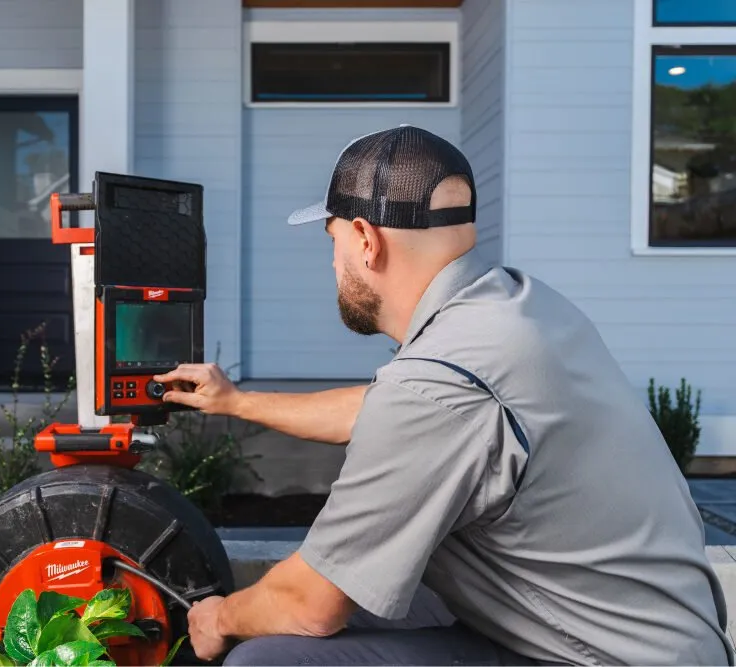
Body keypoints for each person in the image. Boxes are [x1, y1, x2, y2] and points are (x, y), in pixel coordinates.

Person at [154, 125, 735, 666]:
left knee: (267, 657)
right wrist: (235, 401)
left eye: (330, 240)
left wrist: (219, 618)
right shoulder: (518, 307)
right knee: (392, 599)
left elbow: (308, 604)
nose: (331, 262)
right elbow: (388, 410)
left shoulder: (439, 383)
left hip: (599, 657)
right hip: (667, 638)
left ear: (365, 239)